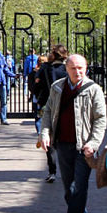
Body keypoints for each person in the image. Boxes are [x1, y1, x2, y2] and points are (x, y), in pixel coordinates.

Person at [38, 54, 107, 213]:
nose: (77, 72)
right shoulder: (57, 87)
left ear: (86, 69)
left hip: (84, 147)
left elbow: (100, 119)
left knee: (78, 187)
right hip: (63, 145)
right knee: (69, 188)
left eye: (80, 68)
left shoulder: (93, 89)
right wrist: (45, 133)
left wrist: (94, 143)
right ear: (66, 69)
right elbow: (48, 111)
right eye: (73, 68)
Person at [34, 44, 69, 183]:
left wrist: (39, 98)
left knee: (49, 139)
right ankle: (67, 170)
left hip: (48, 105)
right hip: (65, 106)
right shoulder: (67, 69)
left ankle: (52, 171)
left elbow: (36, 86)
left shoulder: (45, 68)